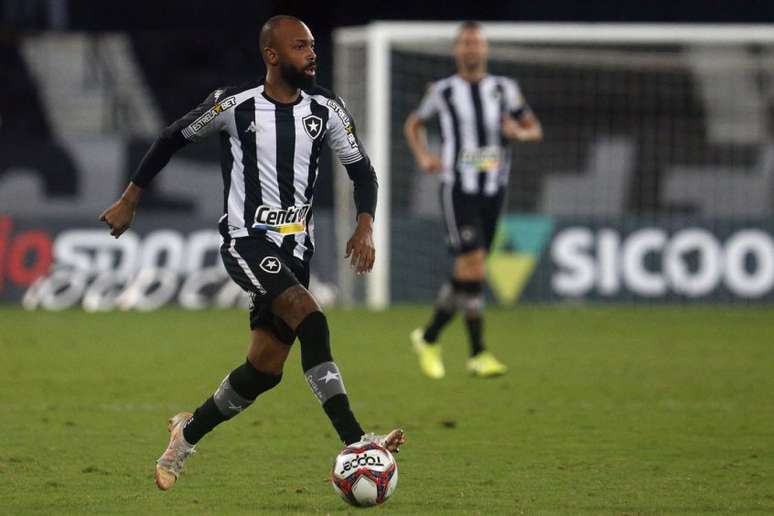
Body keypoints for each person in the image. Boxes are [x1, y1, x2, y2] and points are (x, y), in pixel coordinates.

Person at [99, 15, 405, 491]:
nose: (312, 53)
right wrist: (130, 198)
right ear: (272, 55)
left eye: (311, 45)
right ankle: (356, 442)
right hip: (246, 242)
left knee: (264, 370)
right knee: (312, 318)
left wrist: (365, 225)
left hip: (296, 250)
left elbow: (362, 171)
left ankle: (184, 437)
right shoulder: (232, 105)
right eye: (300, 46)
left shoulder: (326, 109)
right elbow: (170, 138)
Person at [404, 21, 543, 379]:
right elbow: (413, 124)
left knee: (467, 270)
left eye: (476, 43)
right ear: (456, 50)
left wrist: (519, 133)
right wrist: (423, 157)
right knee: (476, 265)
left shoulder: (505, 89)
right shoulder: (443, 91)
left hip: (494, 189)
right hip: (458, 187)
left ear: (485, 50)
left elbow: (534, 128)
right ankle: (478, 352)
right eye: (465, 43)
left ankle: (430, 336)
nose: (471, 48)